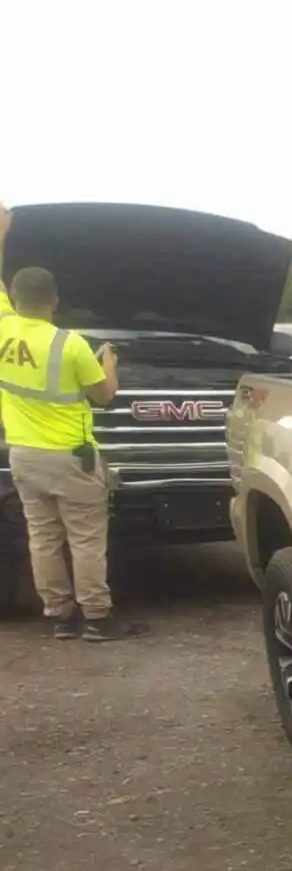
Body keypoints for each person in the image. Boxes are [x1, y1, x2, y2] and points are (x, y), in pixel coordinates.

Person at [0, 246, 148, 641]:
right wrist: (109, 360)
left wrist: (2, 233)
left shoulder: (2, 329)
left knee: (43, 537)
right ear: (55, 301)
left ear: (13, 298)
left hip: (23, 455)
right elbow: (103, 395)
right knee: (84, 539)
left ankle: (60, 617)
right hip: (70, 457)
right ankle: (97, 617)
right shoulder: (70, 344)